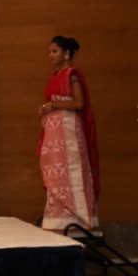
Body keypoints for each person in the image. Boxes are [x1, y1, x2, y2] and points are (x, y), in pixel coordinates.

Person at [37, 35, 99, 232]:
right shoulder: (56, 75)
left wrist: (53, 105)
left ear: (66, 54)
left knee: (69, 174)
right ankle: (58, 220)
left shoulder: (72, 74)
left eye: (54, 51)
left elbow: (79, 103)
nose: (50, 55)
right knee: (55, 175)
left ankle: (79, 220)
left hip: (69, 132)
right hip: (55, 133)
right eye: (49, 52)